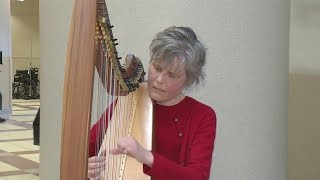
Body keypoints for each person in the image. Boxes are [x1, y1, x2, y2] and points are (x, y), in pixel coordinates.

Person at [88, 26, 217, 180]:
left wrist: (145, 156)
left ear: (188, 80)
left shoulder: (202, 116)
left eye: (172, 75)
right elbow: (87, 148)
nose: (159, 79)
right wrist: (87, 167)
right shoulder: (128, 100)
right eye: (157, 67)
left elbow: (197, 177)